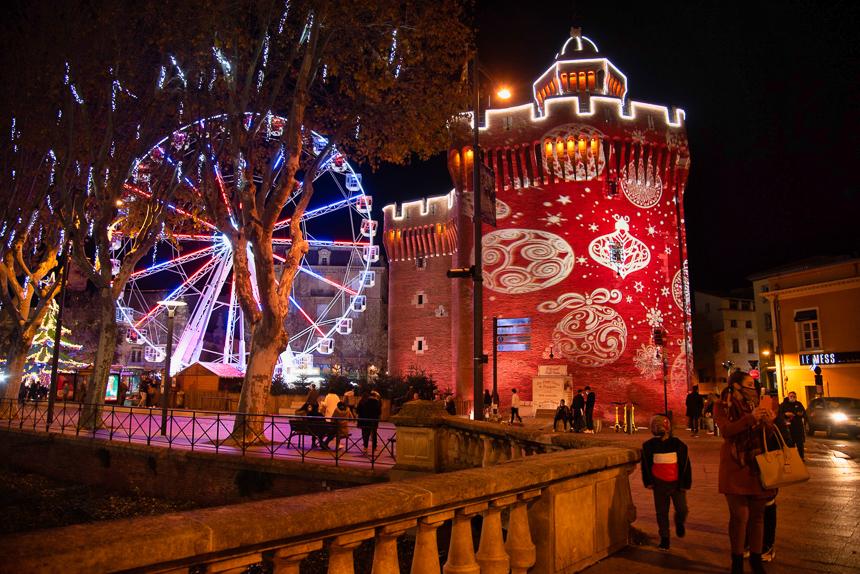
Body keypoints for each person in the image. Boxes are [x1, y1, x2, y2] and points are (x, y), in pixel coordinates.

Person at [713, 370, 778, 574]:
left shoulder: (759, 404)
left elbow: (768, 434)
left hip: (757, 465)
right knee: (739, 517)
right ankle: (738, 562)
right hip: (735, 465)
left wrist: (769, 421)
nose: (754, 387)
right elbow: (726, 431)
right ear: (736, 385)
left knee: (758, 516)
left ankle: (756, 560)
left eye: (754, 384)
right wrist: (750, 418)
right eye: (749, 384)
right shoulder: (722, 405)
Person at [641, 414, 691, 550]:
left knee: (682, 509)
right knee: (661, 512)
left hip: (676, 485)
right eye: (656, 426)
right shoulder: (649, 446)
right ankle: (665, 538)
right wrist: (648, 481)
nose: (659, 428)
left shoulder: (678, 445)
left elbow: (685, 464)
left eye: (661, 425)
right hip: (659, 485)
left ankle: (679, 522)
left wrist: (685, 484)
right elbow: (646, 465)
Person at [777, 391, 807, 460]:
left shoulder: (799, 404)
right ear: (788, 397)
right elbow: (779, 414)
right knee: (790, 444)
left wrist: (799, 414)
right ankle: (791, 459)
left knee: (800, 444)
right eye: (791, 396)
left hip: (798, 427)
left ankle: (801, 457)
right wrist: (785, 414)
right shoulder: (783, 405)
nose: (792, 398)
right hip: (788, 428)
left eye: (794, 396)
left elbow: (803, 413)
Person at [357, 390, 382, 454]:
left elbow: (361, 410)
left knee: (366, 434)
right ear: (375, 396)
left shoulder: (365, 402)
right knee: (374, 434)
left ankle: (365, 447)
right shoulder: (377, 402)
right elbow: (379, 412)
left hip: (366, 420)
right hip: (374, 421)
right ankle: (374, 447)